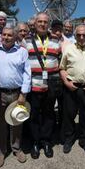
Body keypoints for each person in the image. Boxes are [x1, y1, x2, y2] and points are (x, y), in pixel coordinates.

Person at [0, 26, 31, 167]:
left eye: (10, 35)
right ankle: (1, 152)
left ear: (15, 37)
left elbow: (27, 74)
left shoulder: (22, 52)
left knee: (16, 122)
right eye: (4, 35)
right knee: (0, 124)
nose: (6, 37)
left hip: (16, 93)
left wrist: (23, 94)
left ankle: (16, 148)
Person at [25, 12, 61, 159]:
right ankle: (35, 141)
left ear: (48, 23)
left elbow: (61, 59)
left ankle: (46, 141)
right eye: (39, 21)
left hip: (51, 84)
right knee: (33, 114)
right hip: (33, 85)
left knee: (49, 114)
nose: (42, 24)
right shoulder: (26, 40)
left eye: (45, 22)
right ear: (35, 23)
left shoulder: (56, 40)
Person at [59, 25, 85, 156]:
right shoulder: (68, 49)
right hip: (71, 86)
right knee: (68, 115)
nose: (82, 37)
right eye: (79, 35)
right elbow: (62, 68)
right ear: (75, 36)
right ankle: (69, 139)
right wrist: (66, 82)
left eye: (84, 35)